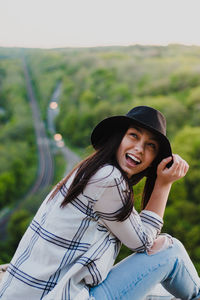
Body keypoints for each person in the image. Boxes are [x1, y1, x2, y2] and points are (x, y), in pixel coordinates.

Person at [0, 105, 200, 300]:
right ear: (118, 137)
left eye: (151, 145)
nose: (139, 148)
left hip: (26, 291)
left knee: (160, 291)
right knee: (171, 251)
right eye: (134, 136)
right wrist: (163, 185)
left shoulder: (89, 170)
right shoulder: (108, 178)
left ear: (153, 160)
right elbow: (144, 243)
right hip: (59, 294)